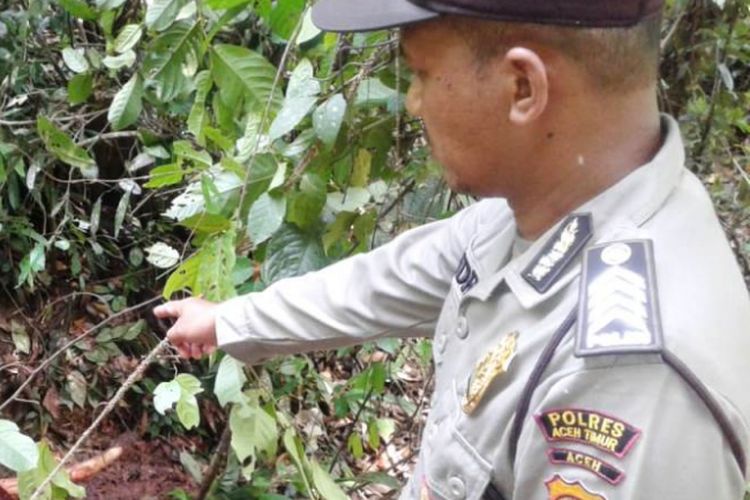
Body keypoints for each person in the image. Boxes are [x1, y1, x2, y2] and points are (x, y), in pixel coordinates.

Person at [154, 0, 750, 498]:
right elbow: (381, 283)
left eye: (419, 73)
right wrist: (228, 320)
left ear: (523, 87)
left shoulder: (633, 376)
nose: (413, 102)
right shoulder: (534, 213)